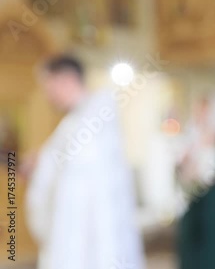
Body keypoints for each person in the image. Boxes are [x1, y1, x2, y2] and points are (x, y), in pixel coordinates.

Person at [26, 56, 145, 269]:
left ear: (66, 79)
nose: (47, 95)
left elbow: (78, 172)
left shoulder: (98, 112)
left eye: (48, 86)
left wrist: (44, 165)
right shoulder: (73, 120)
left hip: (91, 234)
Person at [177, 90, 215, 269]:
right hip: (189, 189)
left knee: (210, 231)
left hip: (209, 190)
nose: (200, 113)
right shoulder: (189, 131)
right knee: (189, 231)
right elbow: (180, 158)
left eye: (204, 109)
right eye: (198, 109)